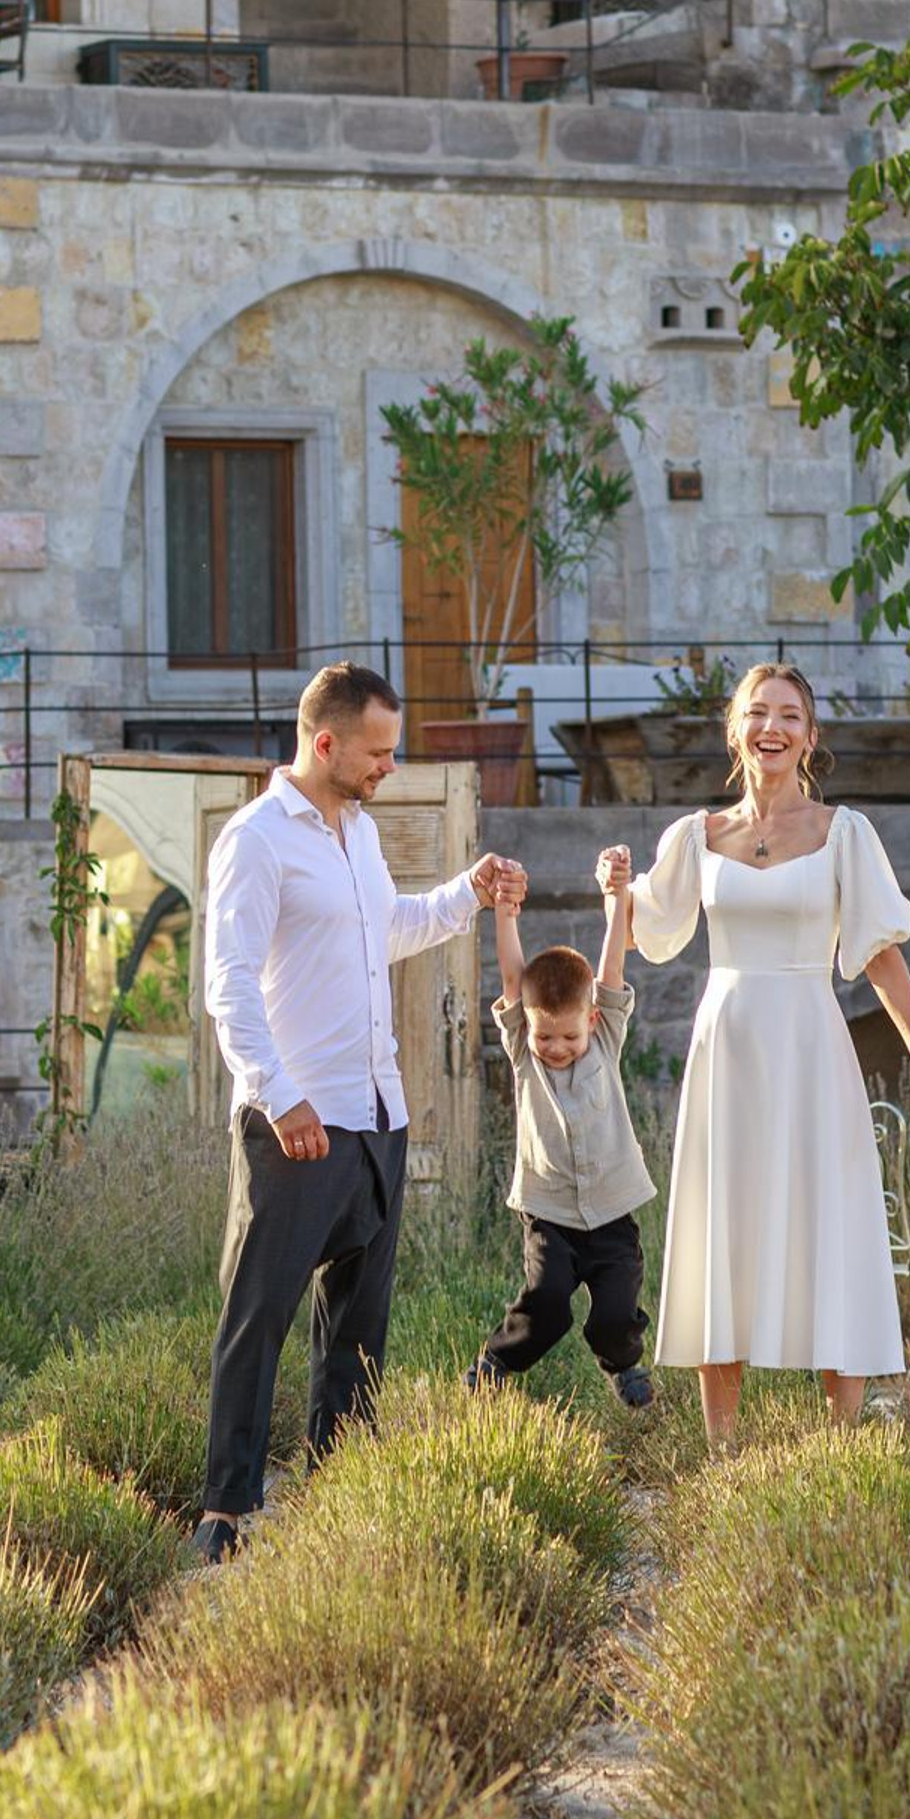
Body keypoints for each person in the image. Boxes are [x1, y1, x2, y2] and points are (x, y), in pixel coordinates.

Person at [194, 661, 524, 1564]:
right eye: (378, 751)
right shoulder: (257, 841)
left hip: (378, 1114)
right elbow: (227, 987)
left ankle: (337, 1498)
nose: (390, 765)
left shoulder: (360, 835)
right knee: (256, 1320)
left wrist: (468, 892)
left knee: (356, 1333)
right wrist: (279, 1095)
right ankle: (225, 1513)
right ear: (325, 741)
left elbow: (383, 933)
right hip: (296, 1124)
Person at [628, 661, 910, 1448]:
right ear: (735, 729)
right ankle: (724, 1457)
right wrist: (612, 895)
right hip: (727, 1048)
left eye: (790, 716)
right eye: (758, 714)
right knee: (723, 1224)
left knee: (830, 1220)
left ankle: (842, 1449)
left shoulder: (846, 834)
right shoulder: (695, 838)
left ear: (810, 736)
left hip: (810, 1043)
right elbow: (649, 932)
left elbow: (878, 954)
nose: (773, 728)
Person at [467, 844, 657, 1407]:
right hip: (548, 1208)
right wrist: (505, 912)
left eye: (568, 1037)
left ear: (592, 1020)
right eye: (545, 1036)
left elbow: (613, 969)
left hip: (611, 1203)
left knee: (617, 1309)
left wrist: (617, 895)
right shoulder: (525, 1053)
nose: (556, 1048)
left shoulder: (604, 1036)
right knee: (546, 1301)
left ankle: (622, 1366)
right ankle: (496, 1362)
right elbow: (510, 976)